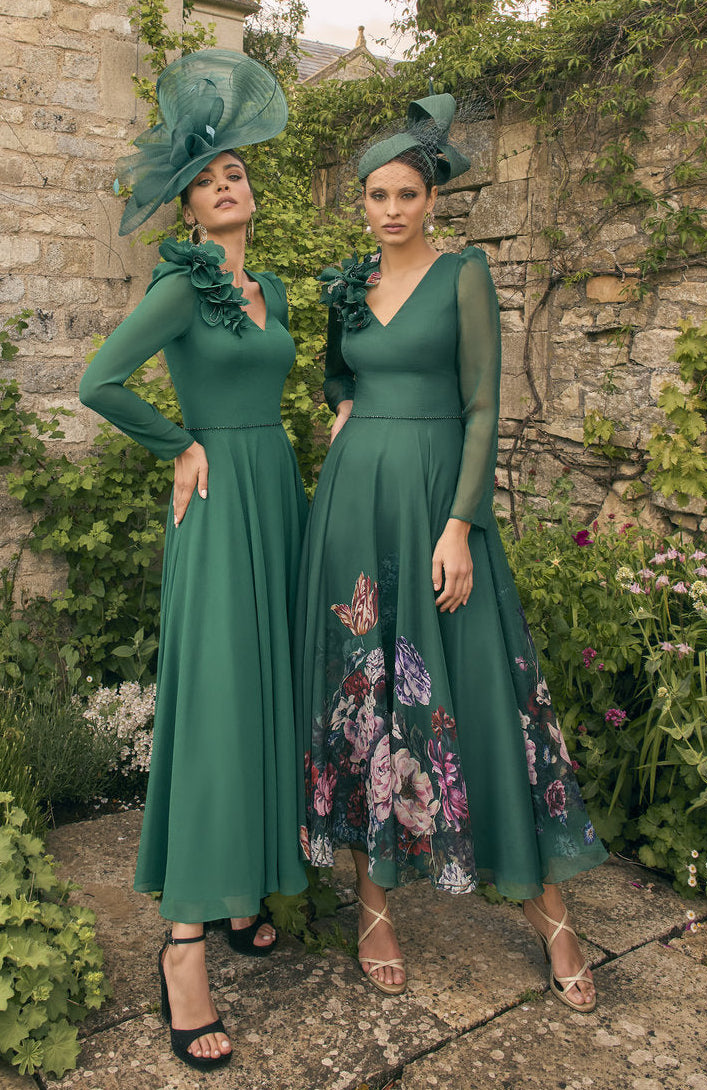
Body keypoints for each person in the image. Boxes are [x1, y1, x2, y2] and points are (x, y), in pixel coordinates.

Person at [295, 93, 608, 1009]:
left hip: (439, 503)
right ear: (362, 202)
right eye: (375, 195)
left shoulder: (464, 274)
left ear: (432, 199)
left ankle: (549, 912)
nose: (389, 208)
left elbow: (484, 405)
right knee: (364, 692)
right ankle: (373, 902)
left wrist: (462, 524)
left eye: (405, 193)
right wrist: (347, 414)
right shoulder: (349, 284)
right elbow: (334, 372)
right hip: (353, 506)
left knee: (476, 690)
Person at [79, 50, 307, 1070]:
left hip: (278, 497)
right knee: (218, 701)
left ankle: (242, 889)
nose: (228, 182)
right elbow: (101, 380)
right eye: (208, 175)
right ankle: (182, 945)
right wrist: (181, 445)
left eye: (237, 171)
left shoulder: (275, 288)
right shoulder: (185, 282)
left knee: (267, 690)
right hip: (216, 501)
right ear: (185, 201)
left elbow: (309, 369)